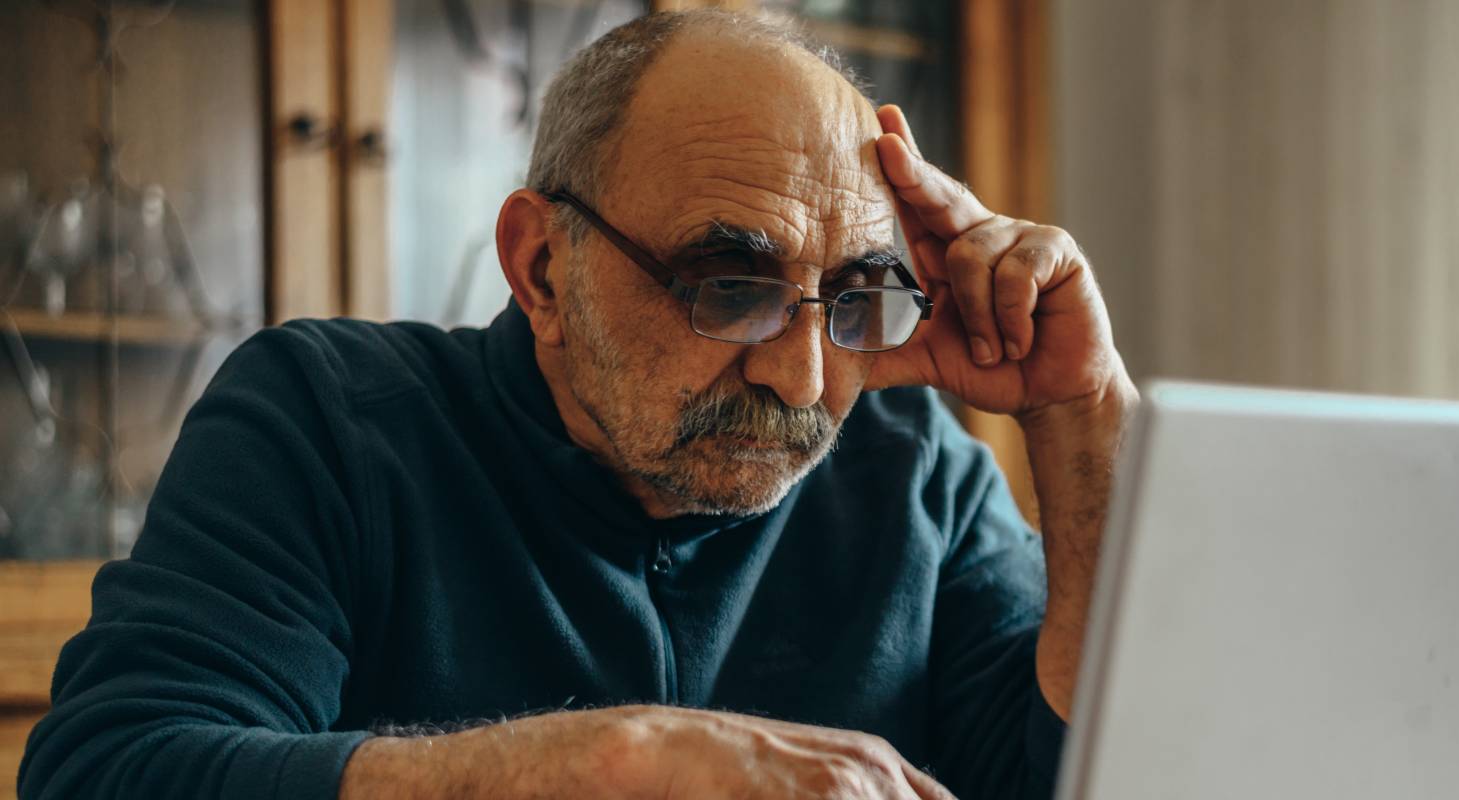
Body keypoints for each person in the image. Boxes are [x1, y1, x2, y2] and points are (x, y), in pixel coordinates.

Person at [18, 10, 1135, 800]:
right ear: (543, 267)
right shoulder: (329, 417)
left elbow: (1071, 775)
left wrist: (1080, 411)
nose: (799, 379)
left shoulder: (915, 468)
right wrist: (610, 764)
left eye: (854, 297)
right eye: (728, 285)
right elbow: (113, 769)